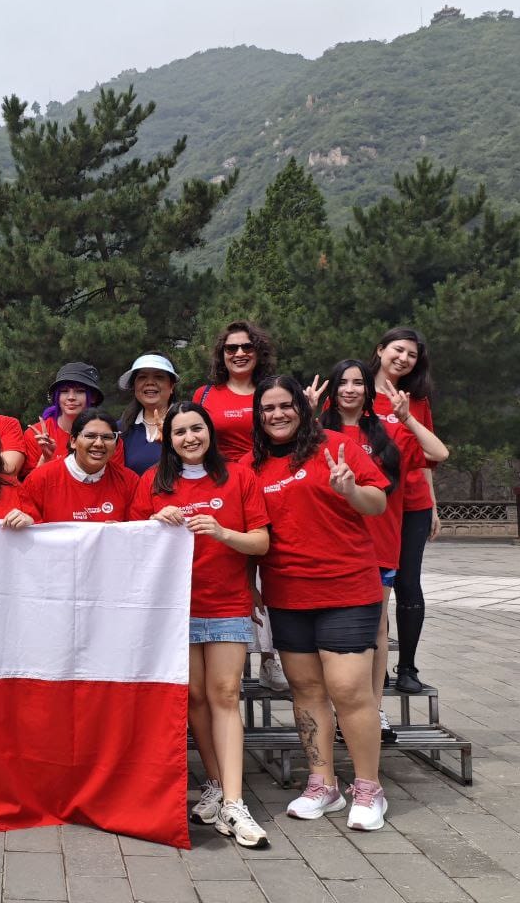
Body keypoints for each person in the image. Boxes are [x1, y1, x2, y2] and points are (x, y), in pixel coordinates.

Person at [249, 376, 391, 831]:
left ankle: (368, 788)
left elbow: (377, 504)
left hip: (346, 588)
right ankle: (322, 784)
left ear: (302, 407)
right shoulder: (251, 465)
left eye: (285, 405)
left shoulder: (336, 445)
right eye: (267, 408)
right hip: (288, 594)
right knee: (306, 690)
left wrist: (349, 489)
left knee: (348, 690)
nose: (277, 414)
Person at [130, 402, 270, 848]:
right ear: (168, 440)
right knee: (194, 697)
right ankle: (214, 783)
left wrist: (223, 532)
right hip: (175, 608)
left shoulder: (239, 477)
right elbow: (130, 542)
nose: (190, 438)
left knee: (224, 694)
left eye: (197, 429)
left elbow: (261, 542)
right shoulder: (153, 482)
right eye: (180, 432)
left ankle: (235, 802)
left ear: (209, 431)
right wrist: (154, 521)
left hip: (226, 603)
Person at [319, 359, 449, 741]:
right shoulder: (315, 433)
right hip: (326, 545)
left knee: (375, 627)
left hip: (378, 544)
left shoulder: (388, 431)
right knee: (327, 630)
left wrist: (407, 419)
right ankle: (337, 711)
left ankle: (373, 709)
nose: (350, 389)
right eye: (342, 382)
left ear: (368, 390)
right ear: (332, 390)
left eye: (358, 383)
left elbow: (438, 453)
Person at [193, 321, 287, 693]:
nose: (239, 353)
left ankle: (270, 657)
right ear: (222, 354)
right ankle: (244, 646)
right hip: (221, 486)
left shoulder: (269, 391)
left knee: (270, 566)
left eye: (246, 346)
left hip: (268, 482)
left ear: (258, 350)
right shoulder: (205, 394)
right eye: (231, 348)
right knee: (233, 564)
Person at [370, 327, 439, 694]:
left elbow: (428, 456)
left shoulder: (417, 401)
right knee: (374, 583)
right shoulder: (356, 391)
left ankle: (408, 667)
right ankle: (375, 665)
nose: (404, 359)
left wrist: (433, 506)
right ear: (381, 349)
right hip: (374, 503)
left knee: (408, 582)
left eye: (412, 355)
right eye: (398, 350)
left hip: (412, 503)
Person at [19, 409, 139, 523]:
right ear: (73, 441)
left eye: (107, 437)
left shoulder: (129, 481)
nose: (99, 443)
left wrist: (120, 531)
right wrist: (30, 523)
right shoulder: (40, 479)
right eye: (90, 436)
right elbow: (26, 525)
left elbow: (138, 529)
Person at [23, 362, 107, 475]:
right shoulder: (36, 435)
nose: (71, 397)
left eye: (80, 391)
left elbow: (116, 479)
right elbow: (27, 484)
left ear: (93, 397)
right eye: (64, 391)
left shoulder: (108, 437)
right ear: (57, 397)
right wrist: (45, 459)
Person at [117, 353, 179, 476]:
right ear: (134, 386)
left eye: (159, 377)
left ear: (171, 386)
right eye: (142, 377)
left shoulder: (188, 424)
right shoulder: (120, 429)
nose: (150, 382)